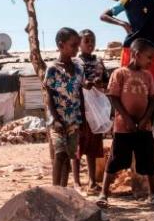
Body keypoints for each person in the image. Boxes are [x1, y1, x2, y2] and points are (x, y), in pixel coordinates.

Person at [99, 38, 154, 207]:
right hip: (123, 128)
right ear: (136, 55)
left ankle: (153, 193)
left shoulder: (147, 76)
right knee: (115, 160)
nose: (151, 61)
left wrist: (144, 120)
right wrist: (127, 118)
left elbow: (153, 99)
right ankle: (104, 194)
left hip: (144, 127)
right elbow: (113, 97)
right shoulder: (120, 73)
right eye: (149, 57)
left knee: (148, 159)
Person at [43, 28, 86, 188]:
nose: (76, 49)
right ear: (61, 46)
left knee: (69, 155)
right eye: (73, 45)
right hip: (57, 120)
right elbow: (49, 94)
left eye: (77, 46)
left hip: (74, 120)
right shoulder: (53, 69)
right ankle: (55, 191)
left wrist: (83, 118)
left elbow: (79, 92)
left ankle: (63, 191)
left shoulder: (79, 69)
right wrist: (55, 118)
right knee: (59, 153)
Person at [74, 29, 108, 193]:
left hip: (96, 108)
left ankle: (92, 181)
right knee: (78, 145)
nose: (90, 44)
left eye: (92, 40)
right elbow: (74, 82)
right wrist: (84, 83)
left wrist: (99, 82)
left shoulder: (99, 62)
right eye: (86, 41)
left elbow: (106, 82)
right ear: (79, 43)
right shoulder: (75, 62)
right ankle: (76, 182)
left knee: (93, 145)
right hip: (80, 108)